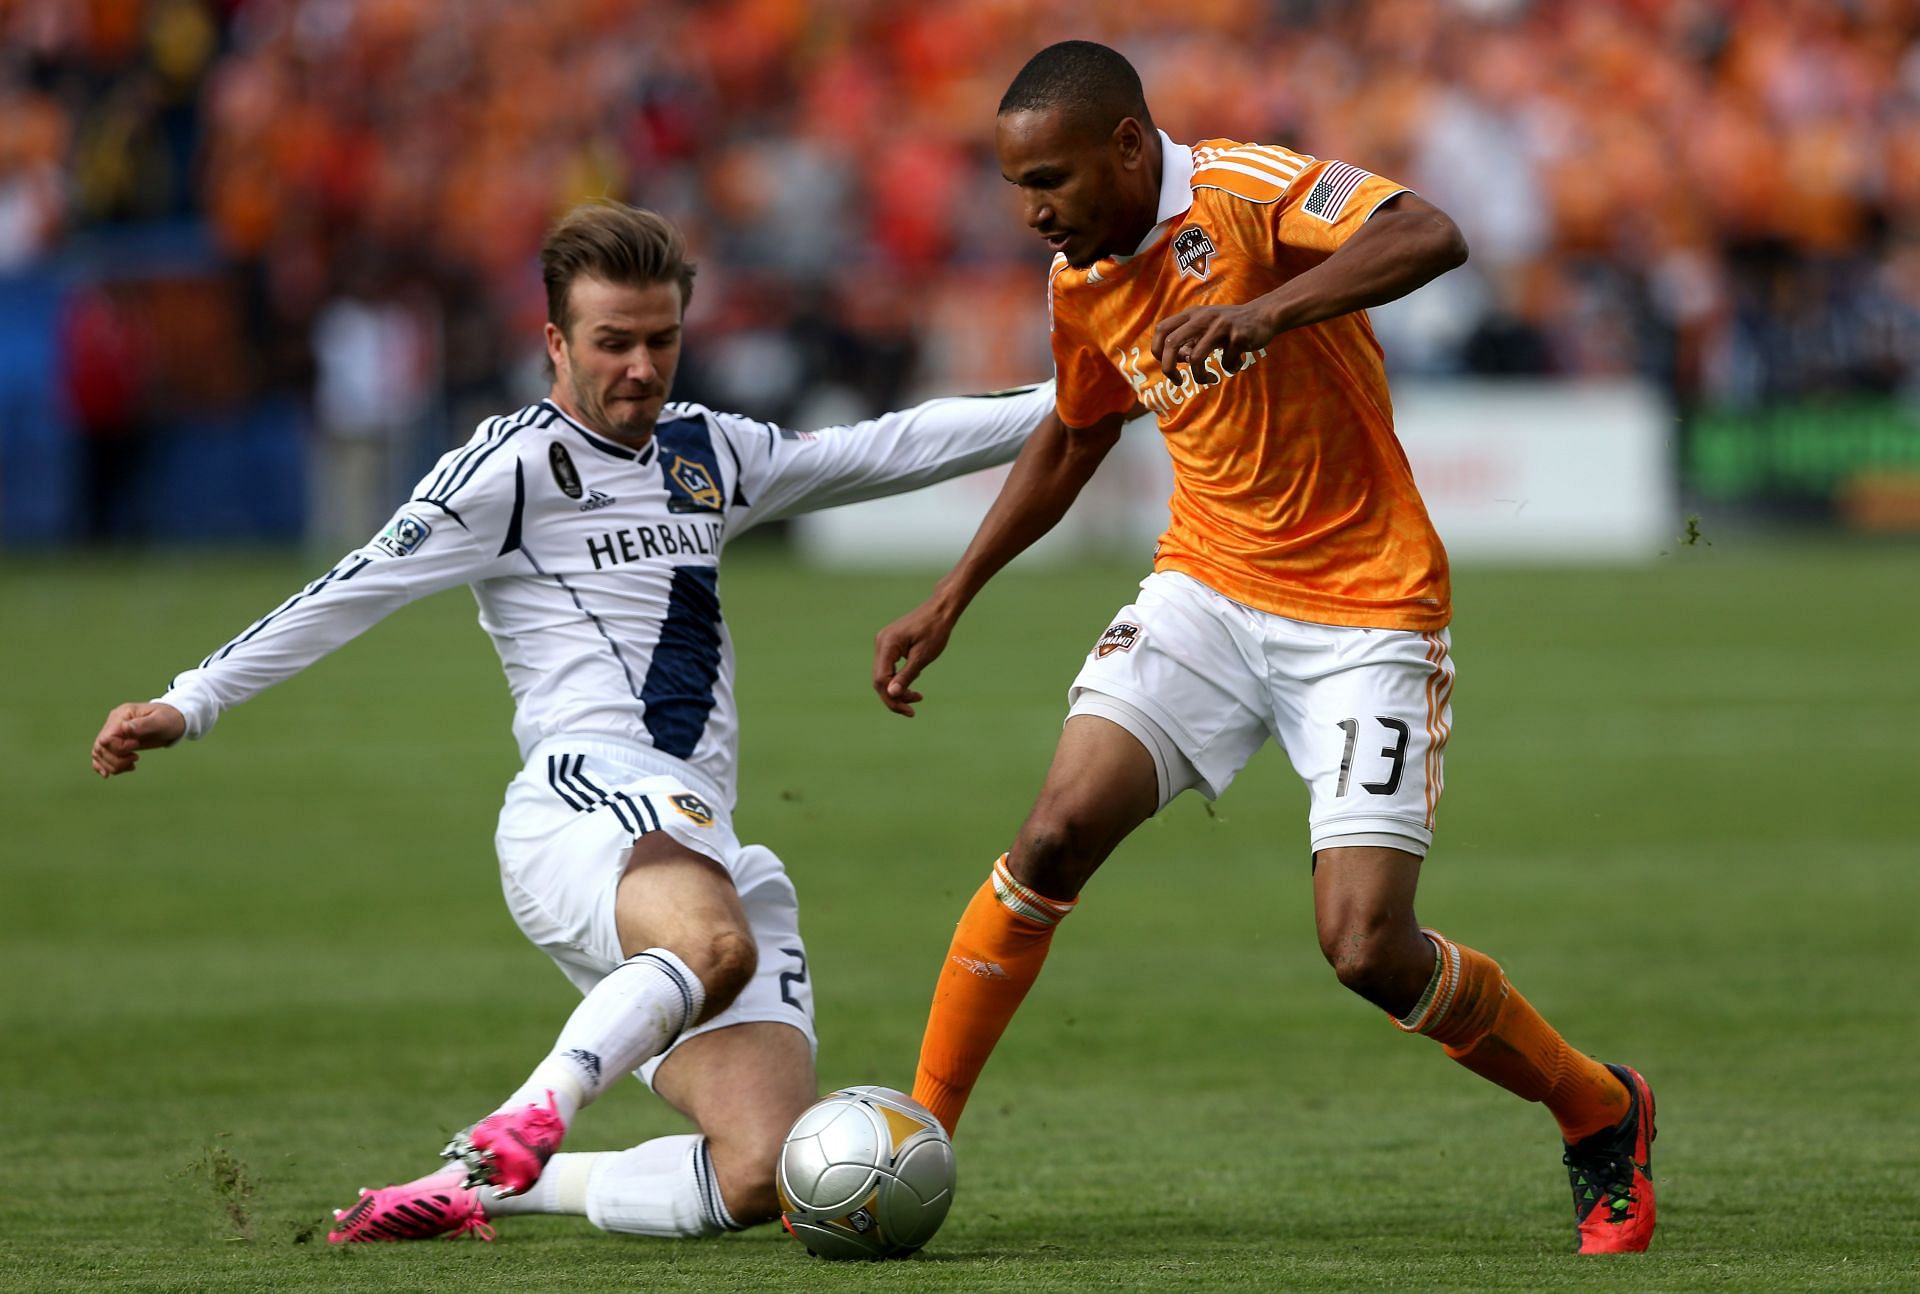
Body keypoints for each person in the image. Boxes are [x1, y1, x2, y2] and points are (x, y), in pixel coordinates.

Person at [90, 200, 1055, 1244]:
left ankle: (487, 1185)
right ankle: (526, 1116)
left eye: (662, 339)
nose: (642, 366)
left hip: (689, 830)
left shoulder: (709, 452)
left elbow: (891, 445)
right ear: (555, 342)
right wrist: (192, 699)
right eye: (613, 343)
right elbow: (353, 584)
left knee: (758, 1172)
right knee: (716, 942)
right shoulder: (507, 470)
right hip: (584, 801)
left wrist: (1093, 391)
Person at [871, 41, 1656, 1255]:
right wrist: (952, 594)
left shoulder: (1247, 191)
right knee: (1053, 834)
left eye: (1052, 180)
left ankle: (1599, 1107)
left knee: (1366, 947)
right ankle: (917, 1136)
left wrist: (1264, 306)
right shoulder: (1080, 278)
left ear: (1130, 146)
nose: (1032, 212)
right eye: (1018, 185)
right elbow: (1077, 436)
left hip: (1367, 611)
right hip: (1209, 590)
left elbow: (1431, 233)